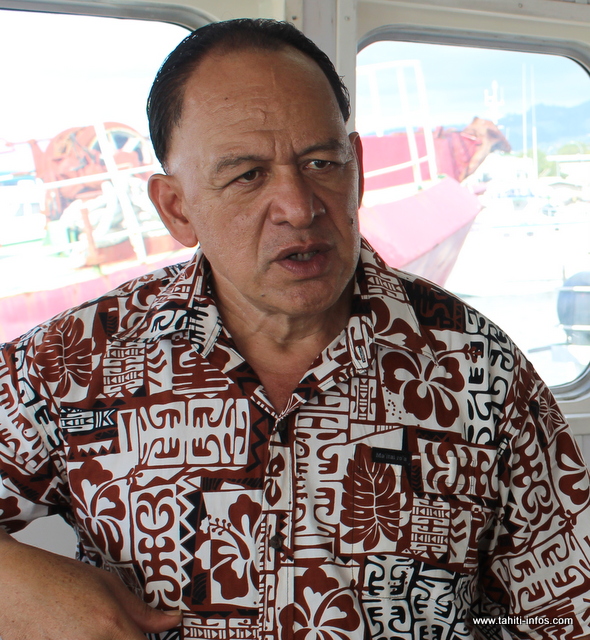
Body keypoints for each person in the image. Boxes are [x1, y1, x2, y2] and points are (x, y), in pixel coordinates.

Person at [0, 18, 589, 640]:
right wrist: (23, 593)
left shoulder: (479, 368)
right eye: (248, 175)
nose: (299, 207)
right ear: (177, 207)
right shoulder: (76, 361)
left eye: (321, 162)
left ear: (357, 168)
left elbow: (562, 611)